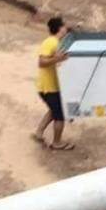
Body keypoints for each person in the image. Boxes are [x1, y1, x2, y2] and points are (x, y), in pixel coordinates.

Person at [31, 17, 75, 151]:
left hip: (49, 86)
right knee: (60, 115)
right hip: (49, 88)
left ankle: (38, 133)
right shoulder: (50, 42)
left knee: (53, 110)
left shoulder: (57, 42)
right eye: (64, 26)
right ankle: (57, 143)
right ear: (60, 28)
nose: (66, 28)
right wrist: (58, 58)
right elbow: (42, 62)